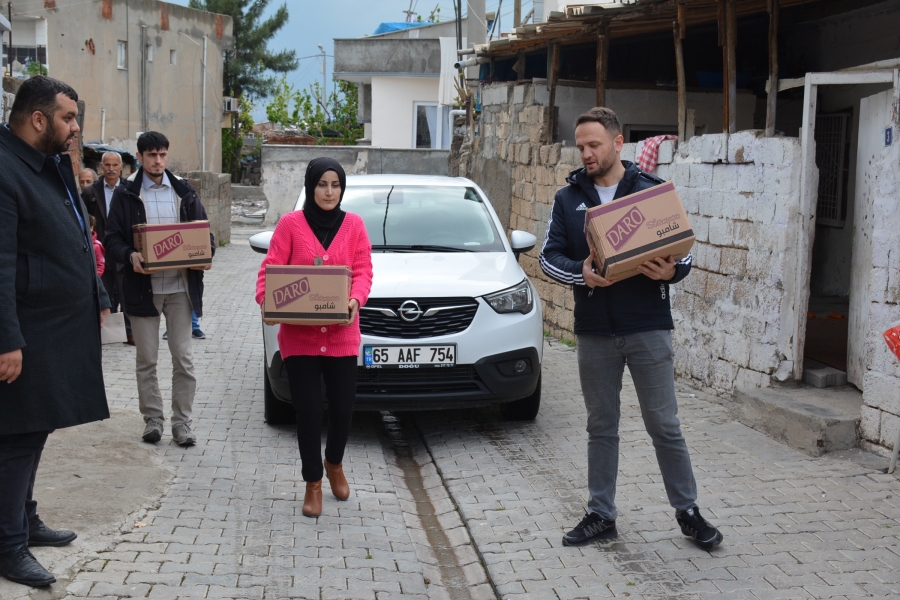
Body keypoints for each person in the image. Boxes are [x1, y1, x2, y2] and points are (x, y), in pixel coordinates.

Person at [539, 107, 722, 551]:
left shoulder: (650, 192)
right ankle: (601, 514)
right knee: (601, 425)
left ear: (618, 143)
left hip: (647, 328)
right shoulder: (567, 200)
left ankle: (689, 512)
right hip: (594, 331)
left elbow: (685, 257)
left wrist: (668, 273)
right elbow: (548, 258)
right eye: (581, 146)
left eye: (594, 145)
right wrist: (581, 272)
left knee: (664, 423)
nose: (586, 153)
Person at [0, 75, 111, 588]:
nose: (75, 128)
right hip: (26, 329)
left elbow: (77, 232)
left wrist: (99, 293)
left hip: (55, 325)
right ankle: (8, 546)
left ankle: (24, 518)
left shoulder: (49, 166)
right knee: (16, 436)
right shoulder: (4, 169)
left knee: (35, 427)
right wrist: (6, 339)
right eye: (67, 118)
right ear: (38, 119)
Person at [255, 158, 372, 518]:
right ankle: (313, 482)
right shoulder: (291, 224)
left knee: (341, 410)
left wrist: (355, 299)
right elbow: (269, 274)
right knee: (306, 412)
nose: (329, 191)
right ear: (310, 186)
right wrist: (267, 302)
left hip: (341, 337)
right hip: (300, 339)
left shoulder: (354, 226)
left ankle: (334, 462)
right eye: (322, 184)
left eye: (335, 184)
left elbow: (364, 270)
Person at [104, 131, 213, 447]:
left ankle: (182, 424)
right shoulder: (127, 195)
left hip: (180, 289)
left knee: (183, 358)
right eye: (151, 155)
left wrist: (206, 257)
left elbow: (203, 235)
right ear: (139, 158)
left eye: (162, 154)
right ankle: (153, 421)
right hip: (142, 288)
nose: (158, 160)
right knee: (146, 359)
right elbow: (112, 239)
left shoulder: (184, 193)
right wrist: (130, 255)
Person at [82, 151, 132, 344]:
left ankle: (129, 332)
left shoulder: (130, 189)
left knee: (126, 293)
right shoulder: (90, 192)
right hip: (100, 251)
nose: (111, 169)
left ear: (121, 167)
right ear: (102, 167)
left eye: (115, 165)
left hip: (122, 250)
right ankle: (107, 334)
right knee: (104, 294)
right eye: (107, 165)